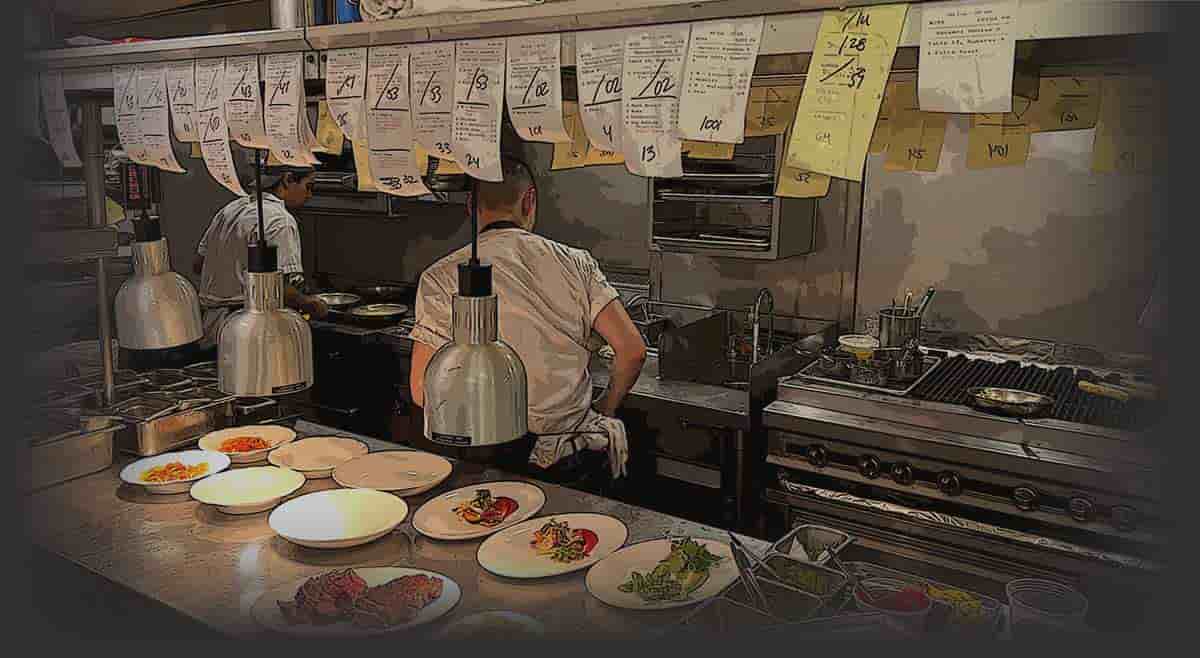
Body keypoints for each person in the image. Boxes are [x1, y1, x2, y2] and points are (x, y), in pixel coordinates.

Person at [407, 156, 647, 486]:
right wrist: (605, 408)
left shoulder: (441, 276)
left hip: (486, 456)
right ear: (530, 200)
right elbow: (632, 351)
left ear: (469, 206)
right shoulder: (576, 263)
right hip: (569, 457)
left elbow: (423, 392)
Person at [191, 162, 329, 355]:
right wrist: (311, 304)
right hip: (249, 334)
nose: (309, 195)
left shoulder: (230, 209)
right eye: (308, 186)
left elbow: (198, 264)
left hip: (211, 329)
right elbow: (282, 288)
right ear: (288, 179)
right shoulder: (280, 220)